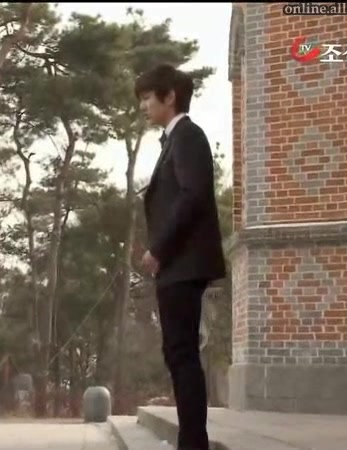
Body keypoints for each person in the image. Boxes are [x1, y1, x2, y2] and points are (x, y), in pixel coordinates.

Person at [135, 64, 226, 450]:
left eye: (146, 98)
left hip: (183, 264)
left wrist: (159, 248)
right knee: (178, 353)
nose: (143, 106)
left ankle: (193, 443)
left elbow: (193, 196)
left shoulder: (188, 136)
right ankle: (192, 440)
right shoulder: (173, 140)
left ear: (169, 96)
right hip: (178, 265)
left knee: (182, 353)